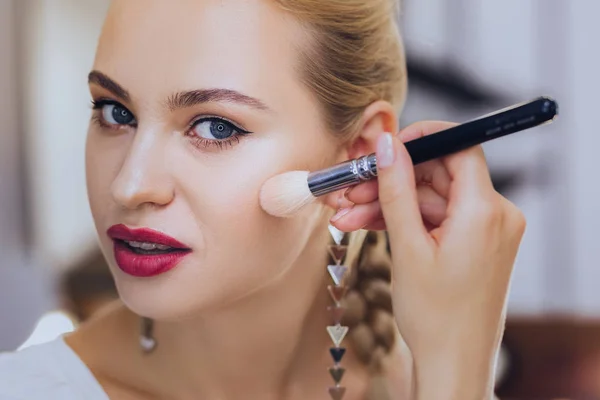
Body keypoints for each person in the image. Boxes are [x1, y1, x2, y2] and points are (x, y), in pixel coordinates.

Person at [0, 0, 525, 399]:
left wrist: (455, 376)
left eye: (214, 126)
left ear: (360, 154)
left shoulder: (434, 378)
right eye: (115, 112)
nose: (130, 185)